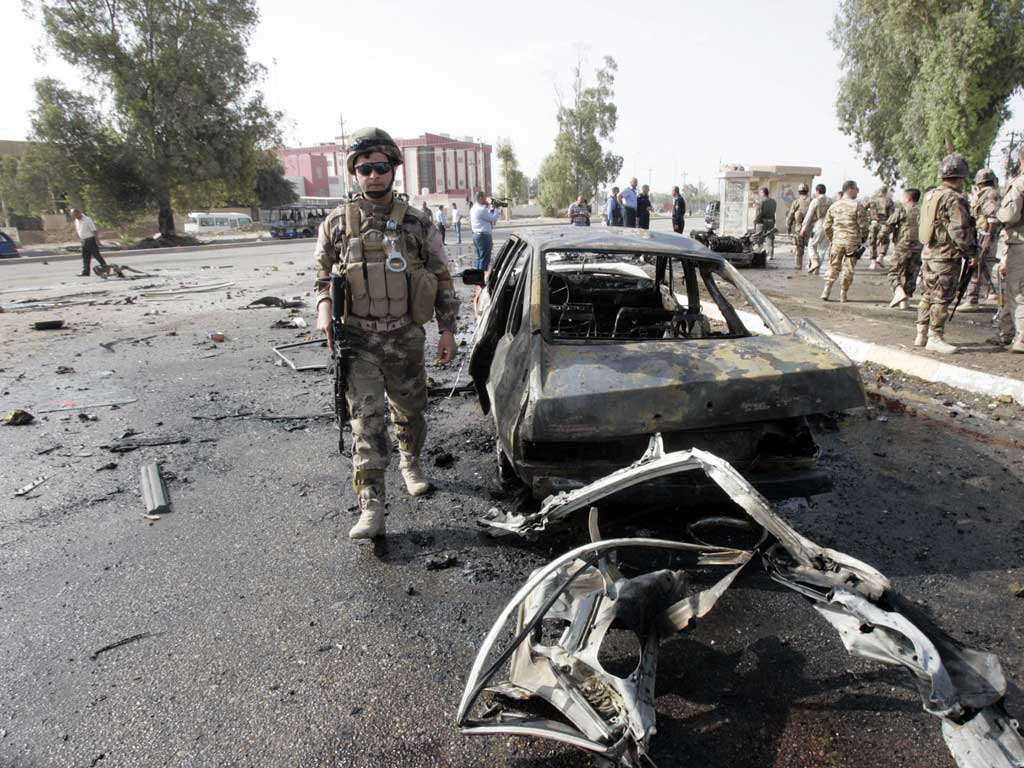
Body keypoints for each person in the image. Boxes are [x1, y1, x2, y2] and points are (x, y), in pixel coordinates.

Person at [313, 127, 459, 540]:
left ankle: (410, 462)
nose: (374, 175)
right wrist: (325, 308)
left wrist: (447, 330)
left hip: (404, 336)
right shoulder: (336, 224)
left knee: (410, 410)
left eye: (381, 167)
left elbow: (441, 277)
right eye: (365, 169)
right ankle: (372, 505)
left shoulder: (417, 223)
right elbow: (322, 277)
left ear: (394, 169)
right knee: (365, 421)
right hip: (357, 340)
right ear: (354, 173)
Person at [916, 154, 977, 354]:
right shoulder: (955, 198)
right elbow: (958, 229)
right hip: (946, 255)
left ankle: (921, 333)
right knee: (941, 297)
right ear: (961, 176)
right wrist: (971, 251)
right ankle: (935, 336)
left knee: (927, 294)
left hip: (929, 252)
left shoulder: (931, 194)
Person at [995, 146, 1024, 353]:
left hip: (1020, 243)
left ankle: (1021, 338)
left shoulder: (1020, 183)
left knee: (1017, 293)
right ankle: (1006, 333)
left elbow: (1009, 216)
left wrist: (996, 212)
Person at [822, 180, 869, 302]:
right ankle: (843, 293)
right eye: (856, 189)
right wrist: (864, 238)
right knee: (848, 268)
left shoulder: (834, 205)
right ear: (850, 189)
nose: (858, 191)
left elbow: (826, 226)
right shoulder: (857, 205)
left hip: (837, 241)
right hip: (852, 242)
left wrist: (832, 238)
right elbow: (863, 226)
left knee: (833, 265)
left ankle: (826, 289)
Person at [881, 188, 922, 310]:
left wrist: (882, 238)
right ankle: (905, 301)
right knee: (912, 274)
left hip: (902, 246)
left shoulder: (902, 210)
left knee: (894, 272)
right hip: (918, 247)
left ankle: (898, 292)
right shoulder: (923, 211)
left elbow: (889, 225)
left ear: (908, 198)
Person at [968, 168, 1000, 306]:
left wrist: (988, 239)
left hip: (985, 236)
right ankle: (993, 293)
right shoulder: (985, 194)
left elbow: (992, 219)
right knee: (982, 265)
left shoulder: (989, 195)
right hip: (982, 235)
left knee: (977, 267)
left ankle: (972, 299)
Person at [470, 191, 501, 315]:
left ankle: (478, 281)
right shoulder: (481, 210)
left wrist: (489, 207)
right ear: (481, 197)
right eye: (485, 198)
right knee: (484, 259)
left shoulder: (474, 208)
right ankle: (481, 283)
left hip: (476, 235)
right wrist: (496, 209)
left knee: (479, 258)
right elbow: (493, 218)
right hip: (483, 236)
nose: (486, 200)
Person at [801, 184, 832, 274]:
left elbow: (809, 215)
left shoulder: (816, 201)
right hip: (829, 225)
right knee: (822, 248)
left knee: (811, 245)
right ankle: (817, 270)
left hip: (819, 224)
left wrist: (804, 227)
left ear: (817, 191)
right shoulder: (831, 201)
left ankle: (814, 261)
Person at [72, 209, 107, 276]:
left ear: (80, 213)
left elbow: (94, 230)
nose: (76, 216)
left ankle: (105, 267)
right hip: (83, 241)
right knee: (85, 257)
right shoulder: (76, 221)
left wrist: (97, 241)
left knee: (96, 255)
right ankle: (86, 272)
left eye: (76, 214)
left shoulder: (87, 219)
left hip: (91, 240)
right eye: (74, 215)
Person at [866, 185, 895, 270]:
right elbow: (892, 215)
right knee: (885, 241)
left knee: (872, 242)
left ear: (878, 191)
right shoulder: (889, 201)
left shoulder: (872, 200)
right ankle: (881, 257)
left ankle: (873, 263)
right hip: (884, 224)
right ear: (886, 192)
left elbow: (863, 208)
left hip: (873, 223)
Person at [786, 184, 811, 270]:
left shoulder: (796, 202)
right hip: (810, 229)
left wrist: (788, 229)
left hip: (799, 229)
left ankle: (798, 265)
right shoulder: (812, 201)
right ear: (807, 191)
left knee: (799, 248)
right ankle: (812, 265)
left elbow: (790, 216)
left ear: (799, 192)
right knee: (811, 248)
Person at [753, 187, 777, 261]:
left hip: (762, 222)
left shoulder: (760, 201)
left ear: (763, 193)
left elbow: (759, 213)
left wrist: (756, 221)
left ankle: (759, 252)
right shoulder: (773, 201)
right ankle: (770, 255)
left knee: (758, 237)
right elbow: (774, 212)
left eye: (760, 193)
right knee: (770, 238)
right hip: (771, 221)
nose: (760, 194)